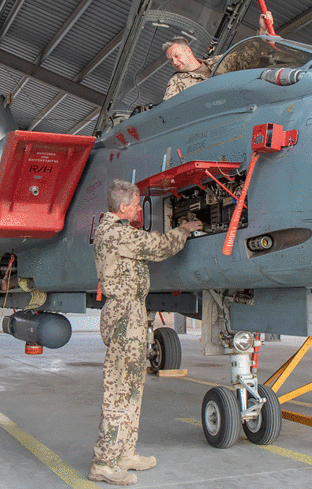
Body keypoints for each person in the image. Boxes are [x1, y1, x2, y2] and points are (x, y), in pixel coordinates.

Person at [89, 180, 202, 486]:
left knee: (133, 386)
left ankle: (124, 454)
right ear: (123, 207)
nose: (139, 209)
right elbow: (159, 247)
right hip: (124, 313)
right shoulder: (116, 231)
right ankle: (104, 462)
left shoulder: (116, 229)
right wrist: (185, 229)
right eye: (136, 204)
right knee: (119, 388)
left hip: (134, 312)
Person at [162, 12, 274, 100]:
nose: (175, 62)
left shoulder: (218, 62)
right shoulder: (176, 82)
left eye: (177, 56)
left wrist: (263, 32)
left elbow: (248, 57)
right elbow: (169, 112)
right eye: (171, 60)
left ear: (188, 51)